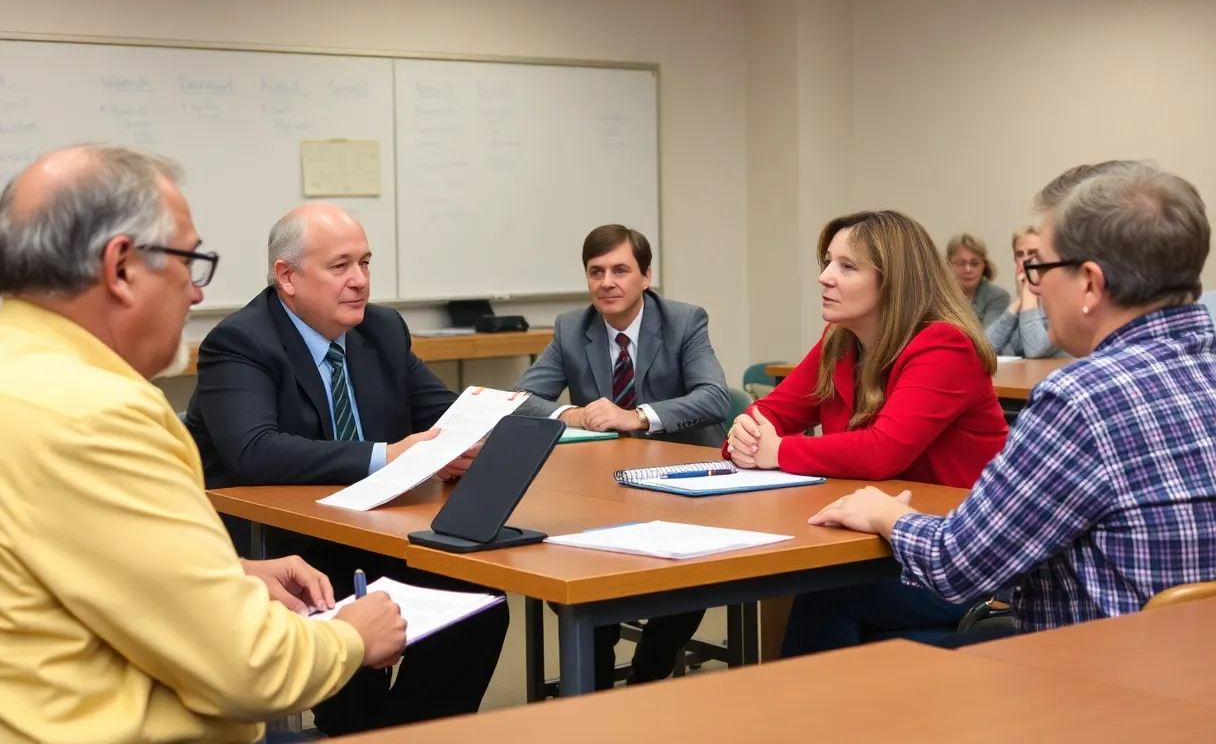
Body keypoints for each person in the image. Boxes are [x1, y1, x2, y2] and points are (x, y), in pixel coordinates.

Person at [0, 146, 407, 743]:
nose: (195, 295)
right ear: (120, 267)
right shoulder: (101, 414)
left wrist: (230, 572)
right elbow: (248, 668)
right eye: (190, 263)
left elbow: (57, 558)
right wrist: (352, 636)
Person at [810, 161, 1216, 637]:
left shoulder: (1080, 402)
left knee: (825, 597)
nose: (1036, 287)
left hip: (1092, 677)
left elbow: (959, 565)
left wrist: (887, 515)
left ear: (1089, 282)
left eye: (1040, 268)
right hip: (1190, 674)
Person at [185, 204, 509, 737]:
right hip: (284, 547)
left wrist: (478, 431)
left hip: (375, 530)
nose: (359, 281)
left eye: (365, 263)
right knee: (343, 622)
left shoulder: (381, 328)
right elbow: (254, 450)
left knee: (476, 607)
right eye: (340, 266)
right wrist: (388, 455)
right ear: (287, 277)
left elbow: (445, 413)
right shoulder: (240, 342)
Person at [723, 210, 1008, 656]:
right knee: (818, 585)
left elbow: (882, 453)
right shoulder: (840, 338)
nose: (824, 277)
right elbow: (769, 414)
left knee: (825, 593)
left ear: (895, 281)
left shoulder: (944, 344)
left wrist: (778, 451)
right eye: (827, 262)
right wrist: (746, 435)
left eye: (846, 266)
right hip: (875, 543)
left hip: (955, 558)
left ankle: (803, 719)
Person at [514, 224, 729, 690]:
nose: (607, 282)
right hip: (603, 488)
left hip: (686, 484)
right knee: (565, 564)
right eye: (596, 272)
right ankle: (592, 673)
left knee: (695, 578)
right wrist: (571, 412)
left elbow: (713, 398)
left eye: (620, 270)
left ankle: (649, 672)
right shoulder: (574, 327)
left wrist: (637, 416)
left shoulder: (685, 320)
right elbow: (521, 399)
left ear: (646, 276)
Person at [985, 224, 1060, 358]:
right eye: (1020, 254)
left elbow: (1035, 349)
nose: (1026, 260)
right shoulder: (1023, 300)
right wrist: (1018, 301)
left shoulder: (1061, 297)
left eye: (1033, 253)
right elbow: (984, 348)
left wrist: (1028, 292)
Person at [947, 233, 1010, 326]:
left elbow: (988, 337)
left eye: (974, 263)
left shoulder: (998, 297)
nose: (968, 270)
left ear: (984, 265)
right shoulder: (938, 297)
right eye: (960, 263)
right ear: (948, 264)